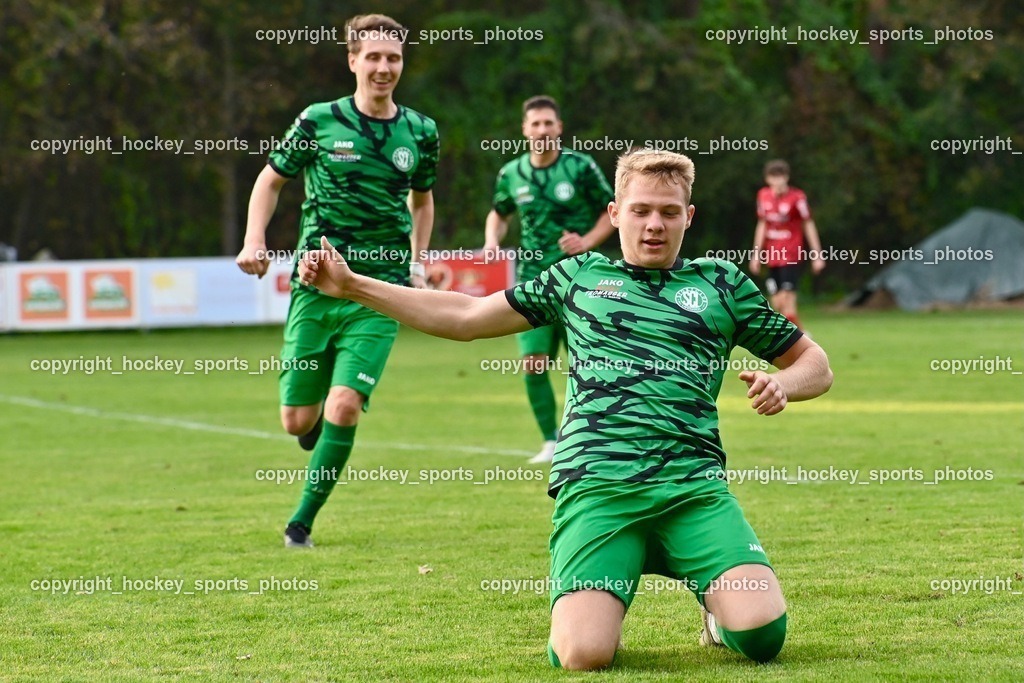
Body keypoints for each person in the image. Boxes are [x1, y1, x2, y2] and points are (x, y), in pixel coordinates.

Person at [298, 149, 833, 670]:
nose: (654, 224)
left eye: (669, 212)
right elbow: (464, 316)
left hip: (692, 489)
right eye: (640, 210)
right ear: (614, 213)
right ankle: (597, 601)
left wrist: (783, 383)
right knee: (584, 655)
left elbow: (816, 363)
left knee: (763, 637)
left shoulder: (721, 284)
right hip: (597, 490)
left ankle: (717, 615)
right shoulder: (576, 278)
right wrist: (352, 286)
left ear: (688, 217)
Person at [235, 13, 439, 548]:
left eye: (393, 57)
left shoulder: (420, 131)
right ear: (352, 60)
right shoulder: (318, 120)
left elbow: (422, 199)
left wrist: (418, 261)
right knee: (296, 421)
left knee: (344, 404)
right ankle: (314, 427)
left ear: (402, 63)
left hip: (380, 286)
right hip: (316, 284)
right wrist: (255, 238)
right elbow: (270, 179)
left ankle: (301, 522)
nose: (383, 67)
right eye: (372, 56)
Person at [483, 95, 615, 464]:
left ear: (559, 128)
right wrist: (493, 241)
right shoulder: (511, 173)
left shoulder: (580, 167)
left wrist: (586, 241)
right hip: (533, 281)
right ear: (525, 130)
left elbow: (612, 212)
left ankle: (592, 437)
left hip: (580, 279)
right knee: (533, 362)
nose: (542, 130)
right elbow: (499, 213)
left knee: (588, 361)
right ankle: (550, 441)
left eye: (548, 123)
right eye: (535, 124)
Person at [748, 159, 824, 330]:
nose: (777, 181)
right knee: (777, 303)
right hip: (772, 256)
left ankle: (799, 342)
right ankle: (800, 335)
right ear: (768, 179)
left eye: (780, 177)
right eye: (773, 177)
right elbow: (762, 225)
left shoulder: (797, 198)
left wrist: (817, 254)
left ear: (787, 178)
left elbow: (808, 223)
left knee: (787, 301)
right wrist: (756, 255)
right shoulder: (763, 195)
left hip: (790, 254)